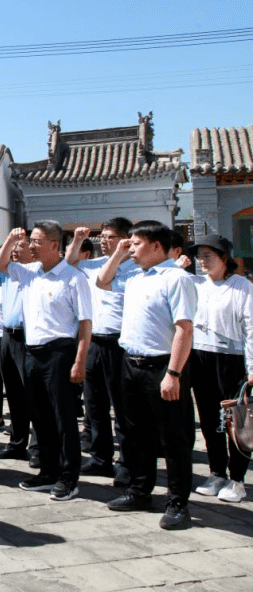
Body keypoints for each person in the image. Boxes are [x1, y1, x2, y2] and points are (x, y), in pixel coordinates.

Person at [97, 221, 197, 530]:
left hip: (163, 367)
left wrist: (174, 373)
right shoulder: (136, 277)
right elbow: (102, 281)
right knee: (136, 432)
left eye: (136, 244)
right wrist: (119, 254)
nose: (131, 249)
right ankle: (140, 491)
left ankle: (178, 503)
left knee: (174, 438)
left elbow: (184, 328)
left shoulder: (177, 278)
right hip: (131, 364)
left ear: (156, 246)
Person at [0, 223, 92, 501]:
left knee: (63, 419)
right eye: (30, 241)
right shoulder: (29, 273)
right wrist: (10, 238)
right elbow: (0, 265)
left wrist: (79, 361)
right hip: (31, 353)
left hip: (60, 353)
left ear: (54, 244)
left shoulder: (73, 278)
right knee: (40, 417)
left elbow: (85, 325)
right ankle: (48, 471)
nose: (31, 246)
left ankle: (68, 478)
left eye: (36, 241)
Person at [67, 219, 136, 486]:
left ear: (126, 239)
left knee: (123, 409)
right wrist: (76, 239)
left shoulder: (134, 269)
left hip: (120, 344)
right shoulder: (94, 265)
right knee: (94, 406)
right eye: (102, 237)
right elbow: (70, 263)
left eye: (111, 237)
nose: (104, 241)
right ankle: (100, 458)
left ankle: (127, 463)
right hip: (94, 342)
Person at [187, 235, 253, 503]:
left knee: (235, 421)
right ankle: (216, 473)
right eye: (199, 256)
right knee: (208, 419)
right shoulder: (196, 284)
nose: (202, 262)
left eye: (208, 256)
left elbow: (251, 328)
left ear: (224, 258)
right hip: (201, 356)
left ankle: (237, 480)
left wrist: (252, 367)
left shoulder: (242, 287)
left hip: (232, 359)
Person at [0, 235, 33, 462]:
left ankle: (37, 446)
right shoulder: (7, 272)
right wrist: (9, 240)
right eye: (13, 247)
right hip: (8, 336)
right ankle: (17, 443)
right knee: (14, 393)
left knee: (33, 394)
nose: (15, 250)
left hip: (28, 337)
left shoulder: (36, 271)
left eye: (21, 246)